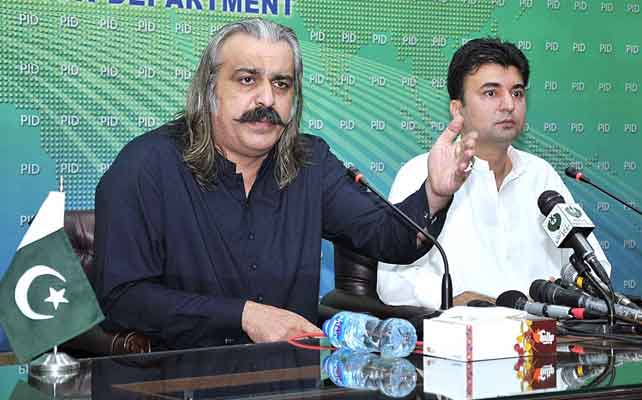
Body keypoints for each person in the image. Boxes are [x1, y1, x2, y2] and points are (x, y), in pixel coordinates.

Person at [94, 18, 477, 350]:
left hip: (288, 378)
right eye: (247, 80)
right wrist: (244, 316)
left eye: (282, 84)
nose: (266, 98)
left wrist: (436, 192)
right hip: (180, 378)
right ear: (209, 90)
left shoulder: (311, 163)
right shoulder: (147, 166)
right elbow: (123, 297)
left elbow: (388, 238)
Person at [377, 38, 610, 309]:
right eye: (491, 93)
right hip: (459, 339)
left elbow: (594, 267)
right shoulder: (422, 173)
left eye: (517, 93)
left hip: (542, 337)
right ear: (457, 108)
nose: (509, 104)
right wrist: (452, 300)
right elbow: (390, 282)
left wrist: (568, 289)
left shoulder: (540, 175)